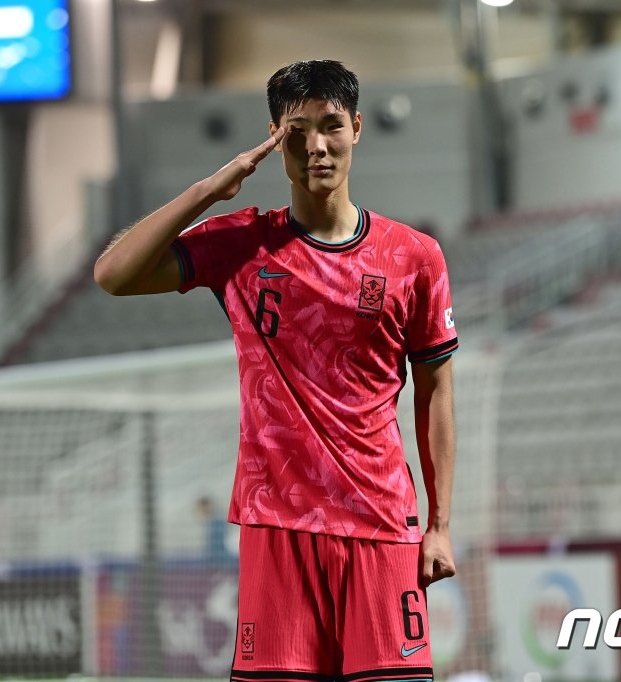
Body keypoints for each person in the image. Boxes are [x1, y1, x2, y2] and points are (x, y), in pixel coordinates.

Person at [95, 60, 457, 680]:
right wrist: (209, 189)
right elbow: (113, 274)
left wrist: (440, 526)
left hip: (382, 527)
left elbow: (436, 394)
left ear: (358, 128)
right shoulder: (240, 245)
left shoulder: (413, 257)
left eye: (331, 126)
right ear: (273, 138)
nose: (316, 146)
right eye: (296, 132)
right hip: (277, 527)